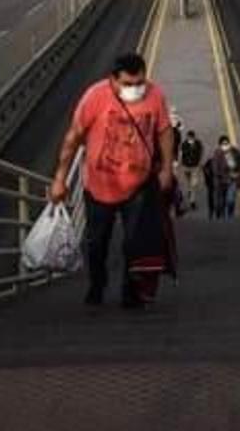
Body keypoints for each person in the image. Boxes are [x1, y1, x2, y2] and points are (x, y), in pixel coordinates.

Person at [50, 52, 176, 308]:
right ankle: (97, 283)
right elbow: (73, 138)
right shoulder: (94, 97)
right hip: (99, 185)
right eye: (128, 84)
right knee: (96, 242)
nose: (135, 89)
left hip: (137, 184)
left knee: (134, 243)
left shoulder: (155, 96)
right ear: (113, 80)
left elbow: (164, 131)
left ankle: (131, 291)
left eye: (140, 83)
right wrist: (60, 179)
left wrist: (166, 170)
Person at [206, 135, 240, 219]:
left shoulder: (235, 152)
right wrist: (219, 177)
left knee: (230, 200)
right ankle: (221, 216)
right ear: (220, 145)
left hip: (232, 181)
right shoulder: (217, 153)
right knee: (220, 202)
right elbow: (215, 169)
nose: (225, 146)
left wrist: (238, 174)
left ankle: (230, 216)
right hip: (221, 182)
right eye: (223, 144)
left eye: (226, 143)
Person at [179, 130, 204, 211]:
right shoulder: (184, 144)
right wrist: (180, 164)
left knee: (194, 184)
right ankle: (189, 190)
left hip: (195, 167)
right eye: (189, 137)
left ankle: (192, 201)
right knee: (188, 181)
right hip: (186, 166)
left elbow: (201, 153)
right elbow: (181, 154)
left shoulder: (198, 144)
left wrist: (200, 163)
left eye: (191, 137)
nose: (190, 138)